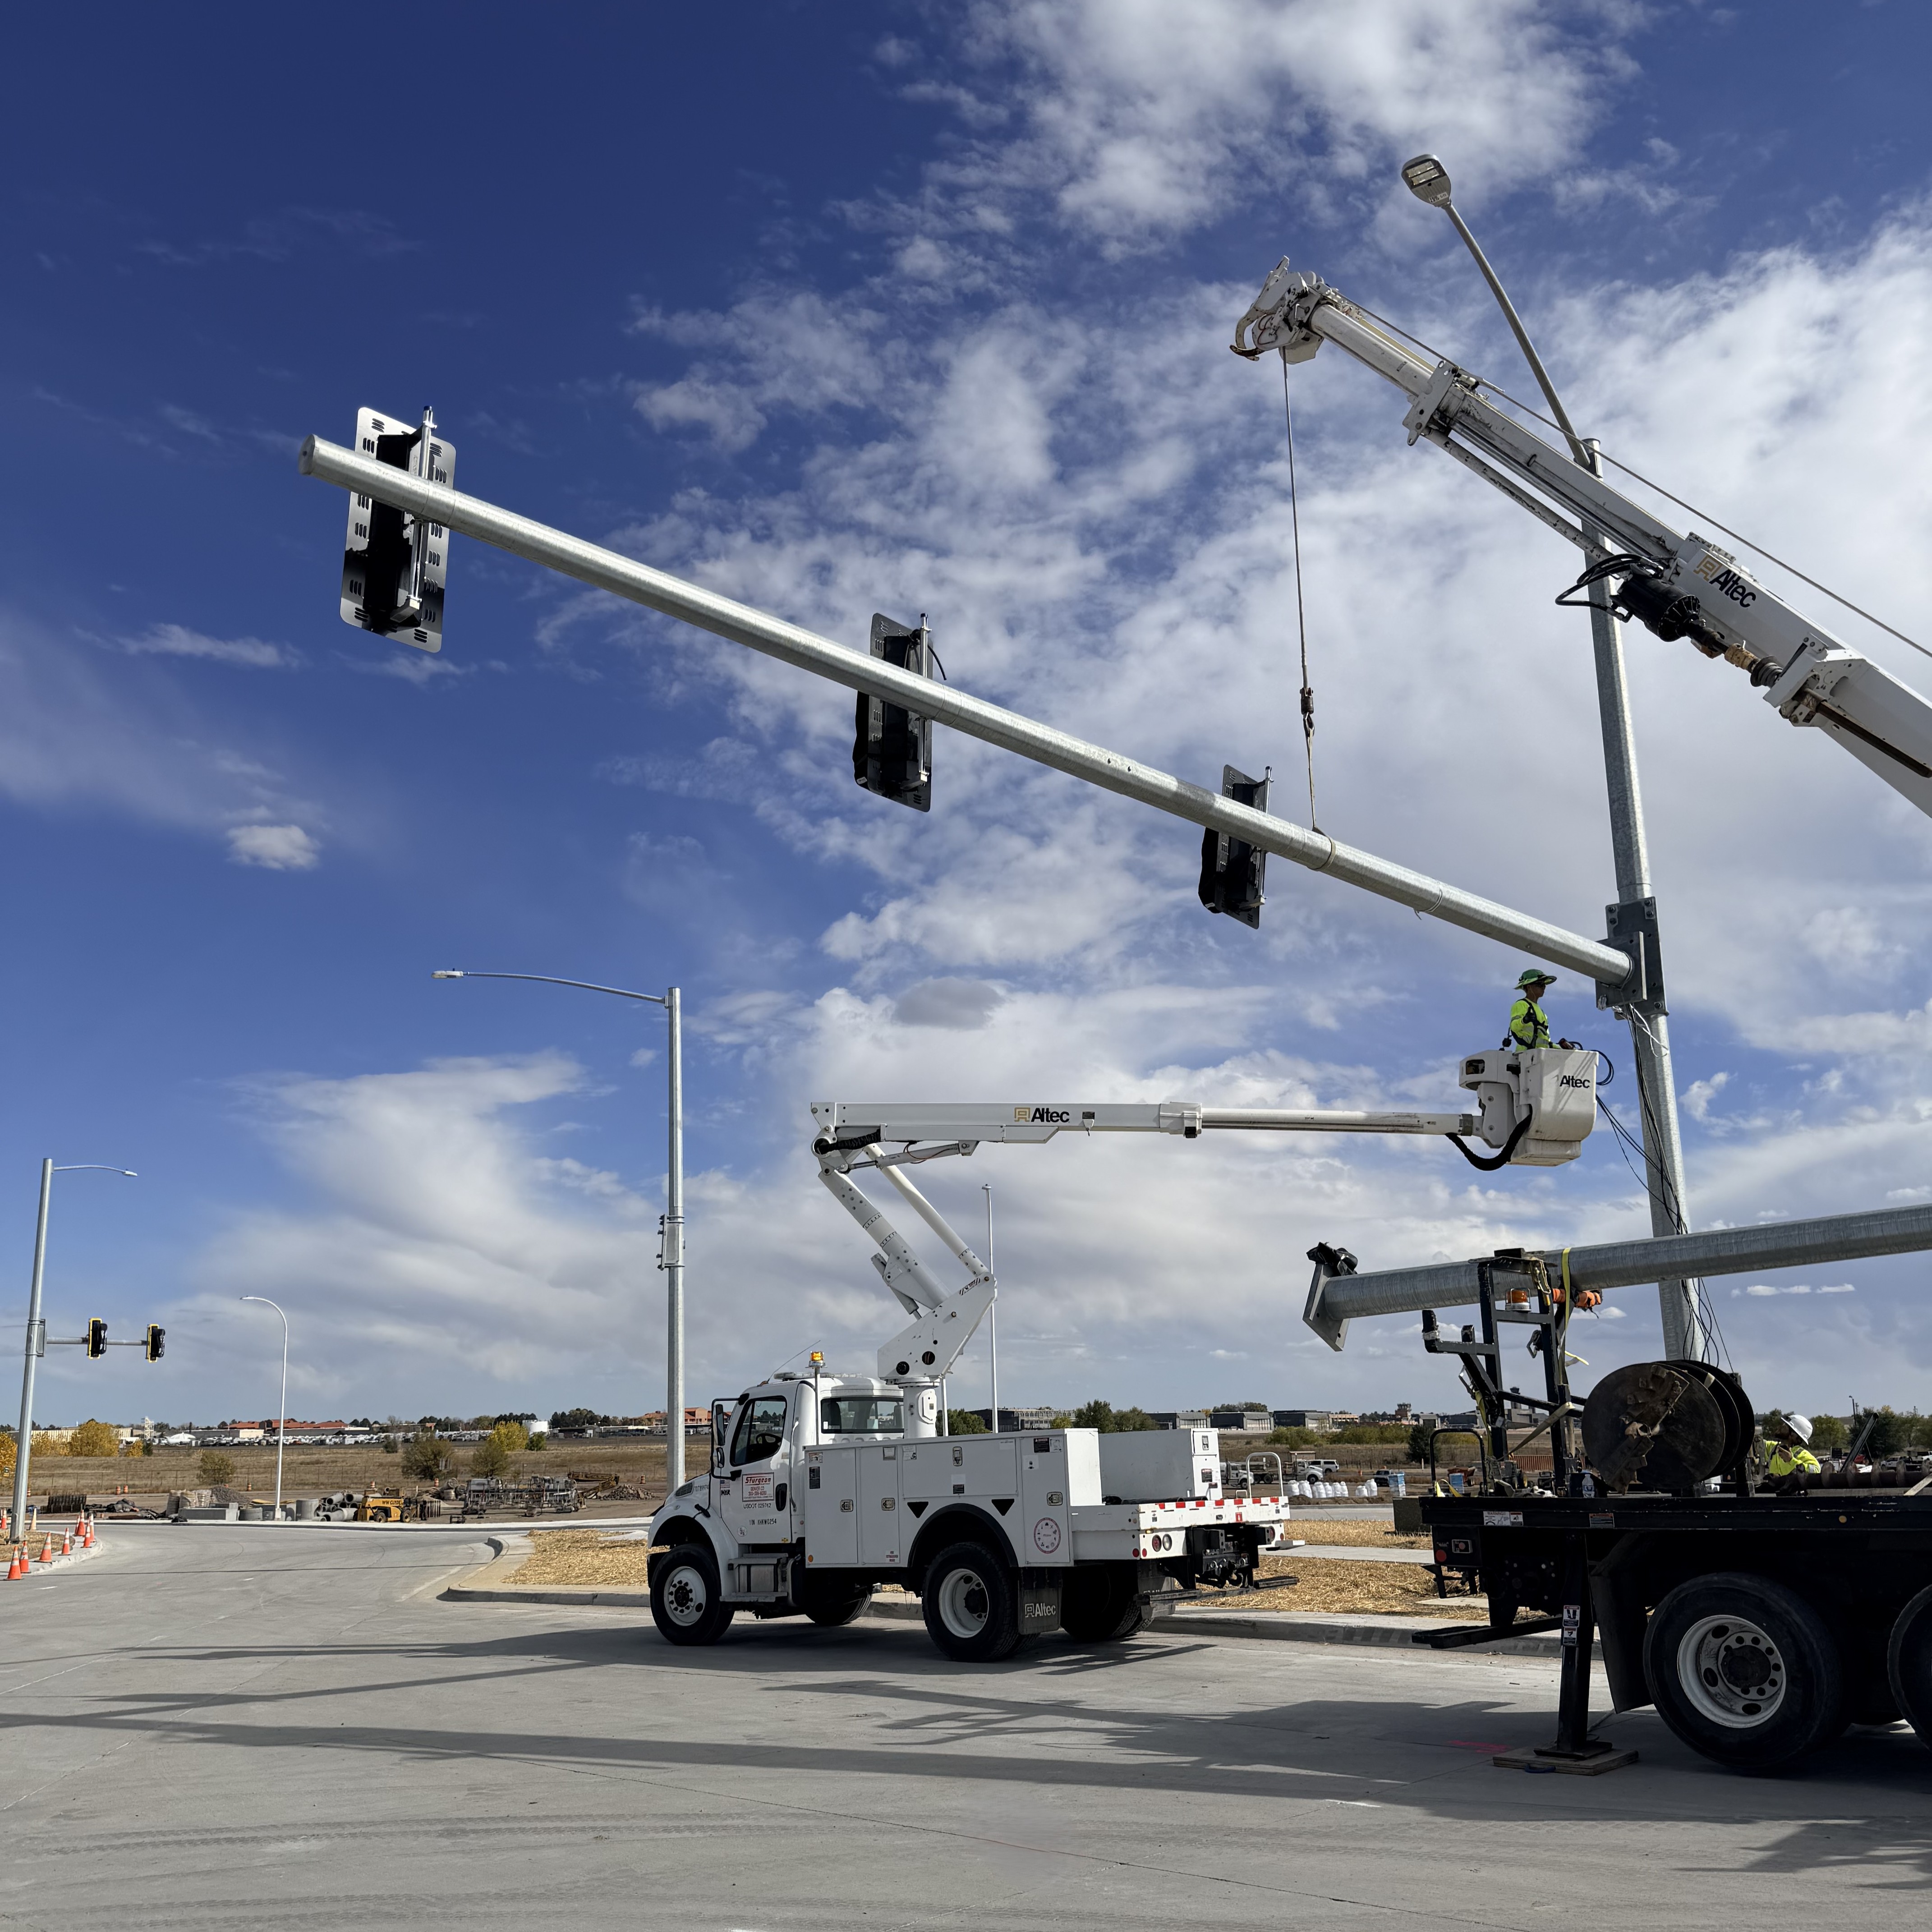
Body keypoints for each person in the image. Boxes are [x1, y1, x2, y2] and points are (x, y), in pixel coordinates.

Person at [1504, 970, 1581, 1052]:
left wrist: (1563, 1048)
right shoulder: (1521, 1005)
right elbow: (1514, 1027)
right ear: (1529, 987)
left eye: (1544, 985)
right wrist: (1524, 1020)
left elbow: (1546, 1041)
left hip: (1539, 1055)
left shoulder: (1541, 1012)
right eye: (1540, 985)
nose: (1543, 988)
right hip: (1526, 1055)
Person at [1765, 1413, 1822, 1484]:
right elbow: (1758, 1445)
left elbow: (1816, 1470)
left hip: (1793, 1494)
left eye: (1786, 1426)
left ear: (1793, 1434)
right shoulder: (1774, 1448)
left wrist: (1791, 1461)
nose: (1782, 1426)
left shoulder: (1801, 1454)